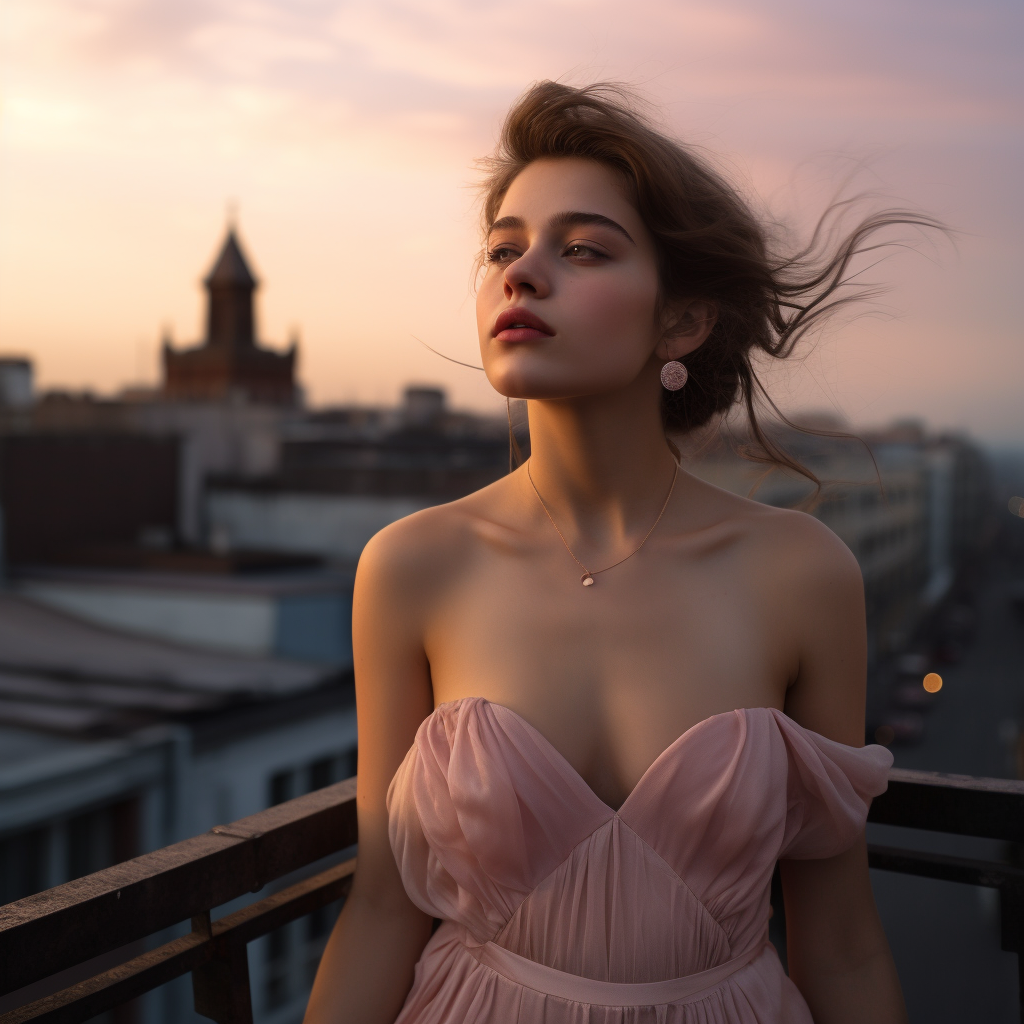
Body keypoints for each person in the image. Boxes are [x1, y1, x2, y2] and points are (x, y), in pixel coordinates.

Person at [305, 81, 917, 1023]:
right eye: (504, 249)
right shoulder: (412, 566)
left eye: (582, 248)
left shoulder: (802, 571)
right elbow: (384, 909)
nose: (522, 272)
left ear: (681, 322)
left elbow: (840, 944)